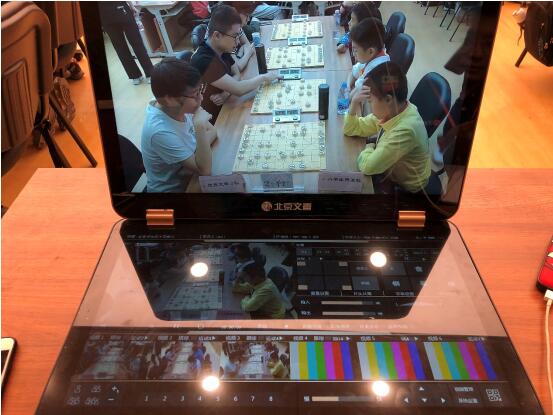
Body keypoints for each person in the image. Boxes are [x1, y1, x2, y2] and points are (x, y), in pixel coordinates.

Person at [344, 62, 430, 194]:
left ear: (388, 100)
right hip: (391, 167)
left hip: (406, 187)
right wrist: (354, 103)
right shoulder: (394, 110)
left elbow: (367, 166)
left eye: (370, 101)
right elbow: (351, 128)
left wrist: (369, 147)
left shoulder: (406, 130)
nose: (369, 105)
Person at [190, 4, 279, 121]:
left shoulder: (221, 48)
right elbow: (239, 89)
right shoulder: (204, 60)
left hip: (226, 105)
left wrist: (226, 93)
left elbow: (236, 74)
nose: (237, 42)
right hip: (210, 119)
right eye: (235, 36)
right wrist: (264, 77)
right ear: (217, 35)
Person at [141, 58, 217, 192]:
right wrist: (199, 127)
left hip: (189, 175)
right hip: (174, 191)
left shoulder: (180, 105)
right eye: (195, 94)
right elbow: (205, 170)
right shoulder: (159, 131)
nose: (201, 98)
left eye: (200, 90)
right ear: (170, 100)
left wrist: (196, 154)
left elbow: (213, 131)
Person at [99, 2, 154, 85]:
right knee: (137, 44)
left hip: (104, 14)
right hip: (120, 9)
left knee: (120, 47)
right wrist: (131, 6)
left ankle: (135, 76)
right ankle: (150, 74)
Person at [347, 17, 389, 94]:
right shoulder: (375, 55)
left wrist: (349, 92)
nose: (353, 54)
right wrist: (349, 87)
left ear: (370, 51)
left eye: (355, 50)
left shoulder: (376, 71)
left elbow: (356, 93)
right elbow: (355, 70)